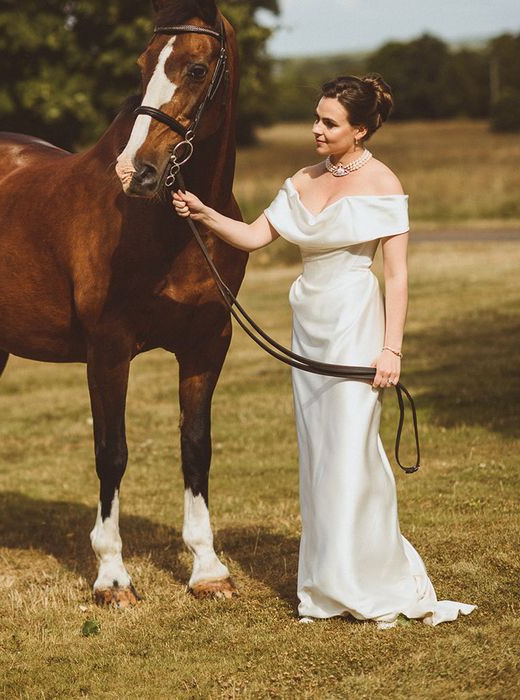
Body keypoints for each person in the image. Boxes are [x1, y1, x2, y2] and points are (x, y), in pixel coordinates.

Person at [172, 74, 475, 627]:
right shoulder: (303, 179)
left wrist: (392, 350)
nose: (316, 129)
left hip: (356, 324)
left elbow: (398, 274)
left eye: (329, 122)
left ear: (359, 130)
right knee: (318, 454)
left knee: (353, 452)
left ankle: (368, 578)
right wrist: (203, 213)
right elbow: (255, 236)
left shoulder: (383, 182)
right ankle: (325, 585)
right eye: (316, 117)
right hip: (308, 324)